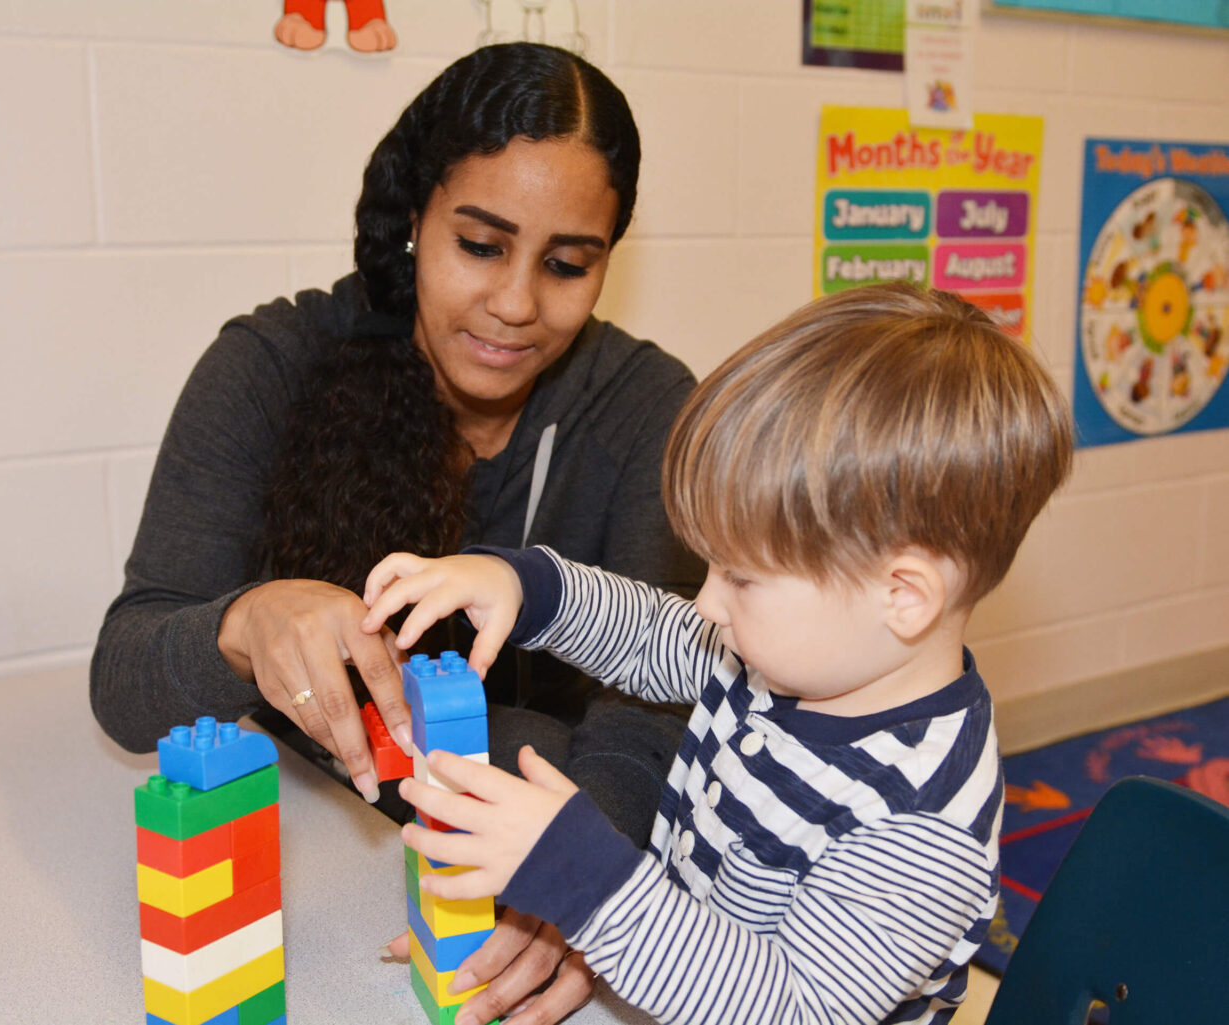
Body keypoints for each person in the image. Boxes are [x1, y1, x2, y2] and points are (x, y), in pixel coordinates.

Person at [90, 42, 703, 1025]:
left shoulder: (647, 410)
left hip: (531, 851)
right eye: (479, 243)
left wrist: (581, 890)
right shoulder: (268, 366)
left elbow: (654, 713)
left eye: (566, 264)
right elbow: (124, 679)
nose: (513, 303)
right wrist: (244, 620)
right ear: (414, 220)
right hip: (315, 833)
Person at [362, 283, 1075, 1025]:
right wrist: (526, 584)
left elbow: (788, 1009)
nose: (707, 601)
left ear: (903, 594)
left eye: (740, 575)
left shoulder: (919, 834)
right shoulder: (782, 657)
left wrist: (586, 878)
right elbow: (647, 633)